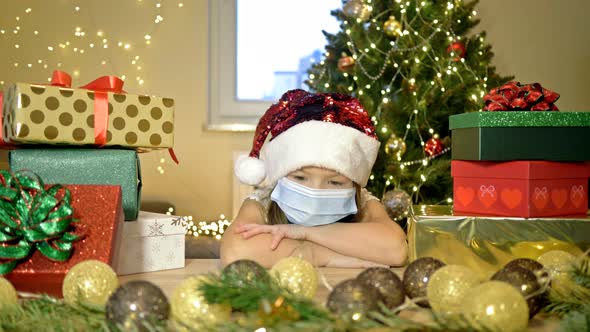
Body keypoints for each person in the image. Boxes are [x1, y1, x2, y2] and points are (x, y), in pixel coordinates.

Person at [220, 89, 407, 268]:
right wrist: (321, 255)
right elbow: (235, 251)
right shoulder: (263, 203)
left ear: (354, 186)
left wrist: (304, 233)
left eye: (334, 182)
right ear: (281, 174)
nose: (315, 191)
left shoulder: (363, 203)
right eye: (300, 177)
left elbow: (396, 249)